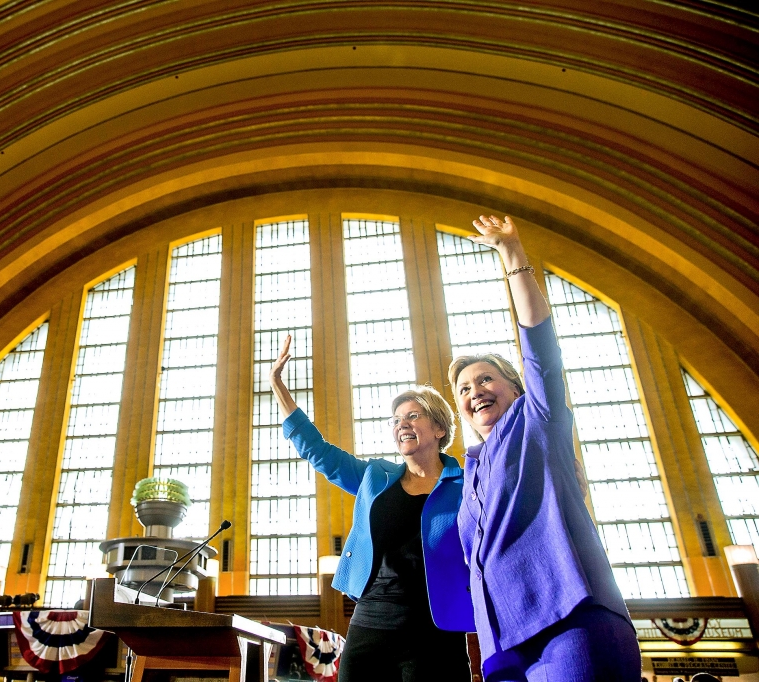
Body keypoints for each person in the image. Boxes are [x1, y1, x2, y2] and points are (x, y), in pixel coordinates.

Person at [448, 215, 641, 682]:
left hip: (570, 619)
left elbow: (541, 348)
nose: (474, 390)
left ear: (516, 389)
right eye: (464, 388)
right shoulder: (471, 467)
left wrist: (512, 254)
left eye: (485, 379)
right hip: (502, 644)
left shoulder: (536, 422)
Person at [270, 341, 475, 682]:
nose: (401, 424)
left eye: (413, 415)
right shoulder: (374, 478)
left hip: (436, 627)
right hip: (371, 622)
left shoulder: (468, 485)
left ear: (439, 429)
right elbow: (318, 451)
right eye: (395, 420)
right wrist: (278, 386)